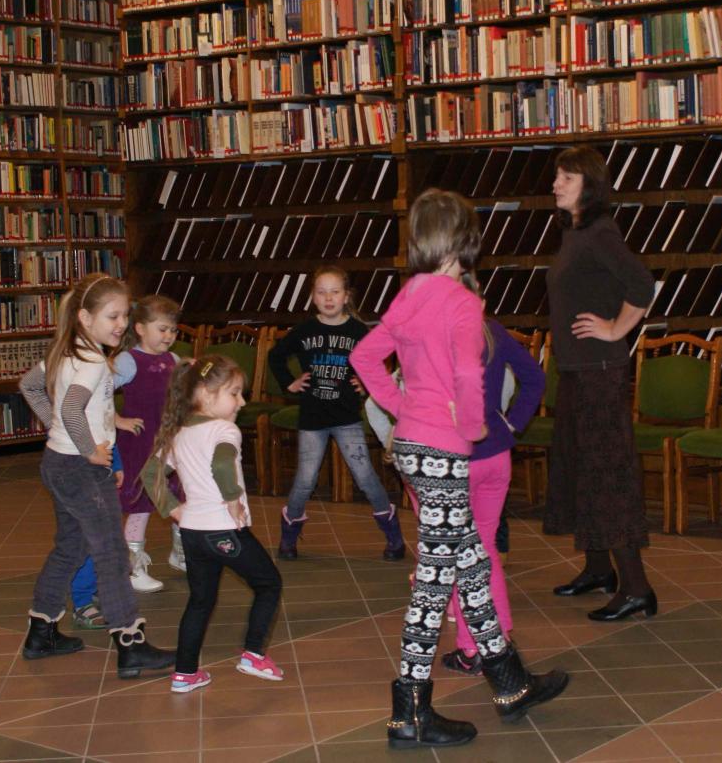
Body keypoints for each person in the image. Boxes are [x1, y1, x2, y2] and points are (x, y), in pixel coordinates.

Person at [351, 189, 568, 750]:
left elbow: (364, 357)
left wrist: (402, 407)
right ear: (467, 241)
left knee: (470, 563)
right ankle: (410, 711)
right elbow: (470, 378)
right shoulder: (463, 302)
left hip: (412, 446)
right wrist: (472, 428)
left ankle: (510, 682)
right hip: (445, 450)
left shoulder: (409, 293)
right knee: (434, 581)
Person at [17, 273, 174, 678]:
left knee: (71, 548)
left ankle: (41, 632)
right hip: (82, 469)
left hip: (58, 463)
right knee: (112, 552)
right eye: (112, 316)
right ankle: (130, 643)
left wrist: (58, 430)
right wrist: (90, 449)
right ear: (85, 318)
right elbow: (72, 410)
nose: (121, 324)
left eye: (124, 316)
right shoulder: (92, 362)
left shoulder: (66, 351)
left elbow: (30, 386)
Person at [544, 146, 658, 622]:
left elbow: (642, 285)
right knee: (581, 469)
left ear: (589, 185)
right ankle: (597, 569)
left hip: (600, 373)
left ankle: (637, 588)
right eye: (557, 176)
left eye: (566, 177)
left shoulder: (600, 233)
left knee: (608, 477)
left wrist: (616, 329)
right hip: (577, 370)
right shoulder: (574, 233)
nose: (556, 184)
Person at [142, 355, 285, 693]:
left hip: (192, 533)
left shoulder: (179, 433)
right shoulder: (224, 430)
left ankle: (185, 673)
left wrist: (173, 510)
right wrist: (232, 497)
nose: (242, 402)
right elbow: (222, 464)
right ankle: (253, 655)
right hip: (224, 529)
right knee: (269, 584)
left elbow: (150, 474)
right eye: (234, 393)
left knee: (200, 600)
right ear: (206, 395)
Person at [268, 265, 404, 562]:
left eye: (334, 292)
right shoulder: (304, 330)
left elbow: (377, 361)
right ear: (313, 297)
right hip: (312, 418)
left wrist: (366, 383)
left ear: (346, 296)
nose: (328, 298)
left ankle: (394, 536)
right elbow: (275, 355)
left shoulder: (358, 331)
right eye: (321, 292)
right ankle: (288, 537)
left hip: (346, 418)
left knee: (365, 476)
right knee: (305, 479)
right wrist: (289, 383)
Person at [442, 315, 546, 676]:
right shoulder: (492, 330)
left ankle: (471, 648)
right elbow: (535, 378)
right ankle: (498, 639)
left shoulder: (435, 333)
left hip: (456, 458)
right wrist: (511, 423)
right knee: (484, 550)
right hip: (496, 454)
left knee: (459, 555)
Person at [113, 295, 186, 593]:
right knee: (141, 504)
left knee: (179, 497)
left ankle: (180, 553)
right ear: (141, 328)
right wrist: (117, 420)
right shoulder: (128, 361)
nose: (168, 336)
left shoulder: (174, 360)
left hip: (169, 443)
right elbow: (97, 393)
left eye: (173, 330)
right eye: (162, 329)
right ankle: (133, 566)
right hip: (140, 444)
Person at [69, 445, 124, 630]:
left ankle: (94, 588)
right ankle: (82, 601)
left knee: (106, 538)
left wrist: (116, 464)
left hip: (102, 473)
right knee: (87, 541)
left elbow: (107, 434)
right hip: (77, 474)